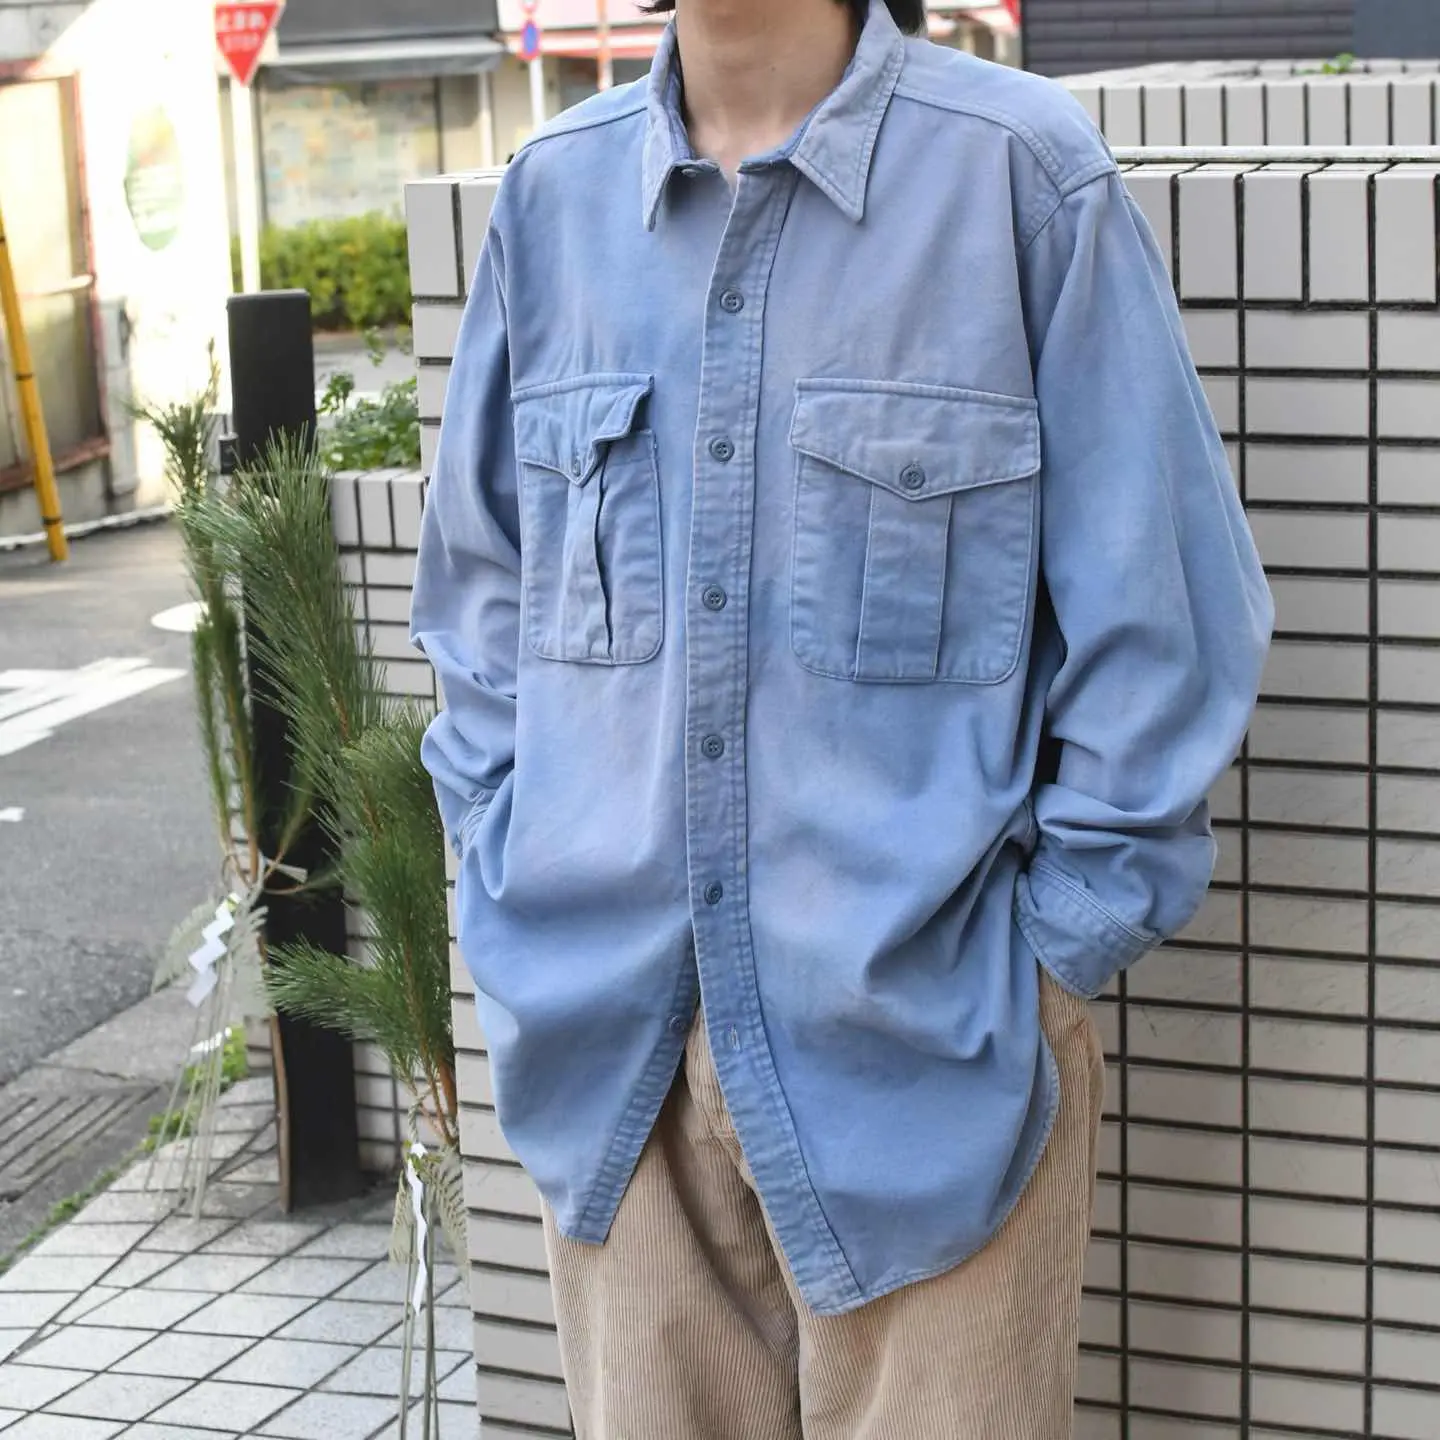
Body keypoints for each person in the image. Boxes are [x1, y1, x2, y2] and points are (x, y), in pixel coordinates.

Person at [411, 0, 1272, 1434]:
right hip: (617, 1074)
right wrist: (508, 872)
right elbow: (482, 603)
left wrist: (1051, 956)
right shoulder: (553, 200)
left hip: (938, 1064)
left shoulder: (1017, 177)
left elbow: (1166, 618)